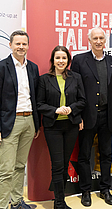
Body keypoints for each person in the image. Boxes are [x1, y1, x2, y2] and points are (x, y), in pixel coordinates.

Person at [0, 30, 40, 209]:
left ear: (28, 46)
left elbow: (35, 97)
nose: (21, 47)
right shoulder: (0, 68)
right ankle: (1, 206)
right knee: (6, 170)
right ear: (10, 45)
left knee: (20, 166)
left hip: (29, 122)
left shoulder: (32, 67)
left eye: (24, 44)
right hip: (10, 123)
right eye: (17, 43)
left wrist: (36, 124)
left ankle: (17, 202)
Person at [70, 27, 112, 207]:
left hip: (107, 116)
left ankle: (105, 189)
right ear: (89, 41)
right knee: (84, 155)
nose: (98, 41)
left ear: (104, 40)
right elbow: (73, 89)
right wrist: (78, 116)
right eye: (95, 38)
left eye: (101, 38)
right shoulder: (79, 61)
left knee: (106, 154)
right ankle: (85, 190)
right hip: (86, 117)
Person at [37, 46, 86, 209]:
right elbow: (39, 104)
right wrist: (55, 110)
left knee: (65, 164)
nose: (61, 61)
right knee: (57, 165)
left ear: (68, 60)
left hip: (71, 125)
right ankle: (59, 203)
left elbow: (82, 100)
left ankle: (60, 197)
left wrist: (71, 108)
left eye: (64, 58)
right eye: (58, 58)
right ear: (53, 60)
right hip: (53, 127)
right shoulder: (44, 79)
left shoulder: (76, 77)